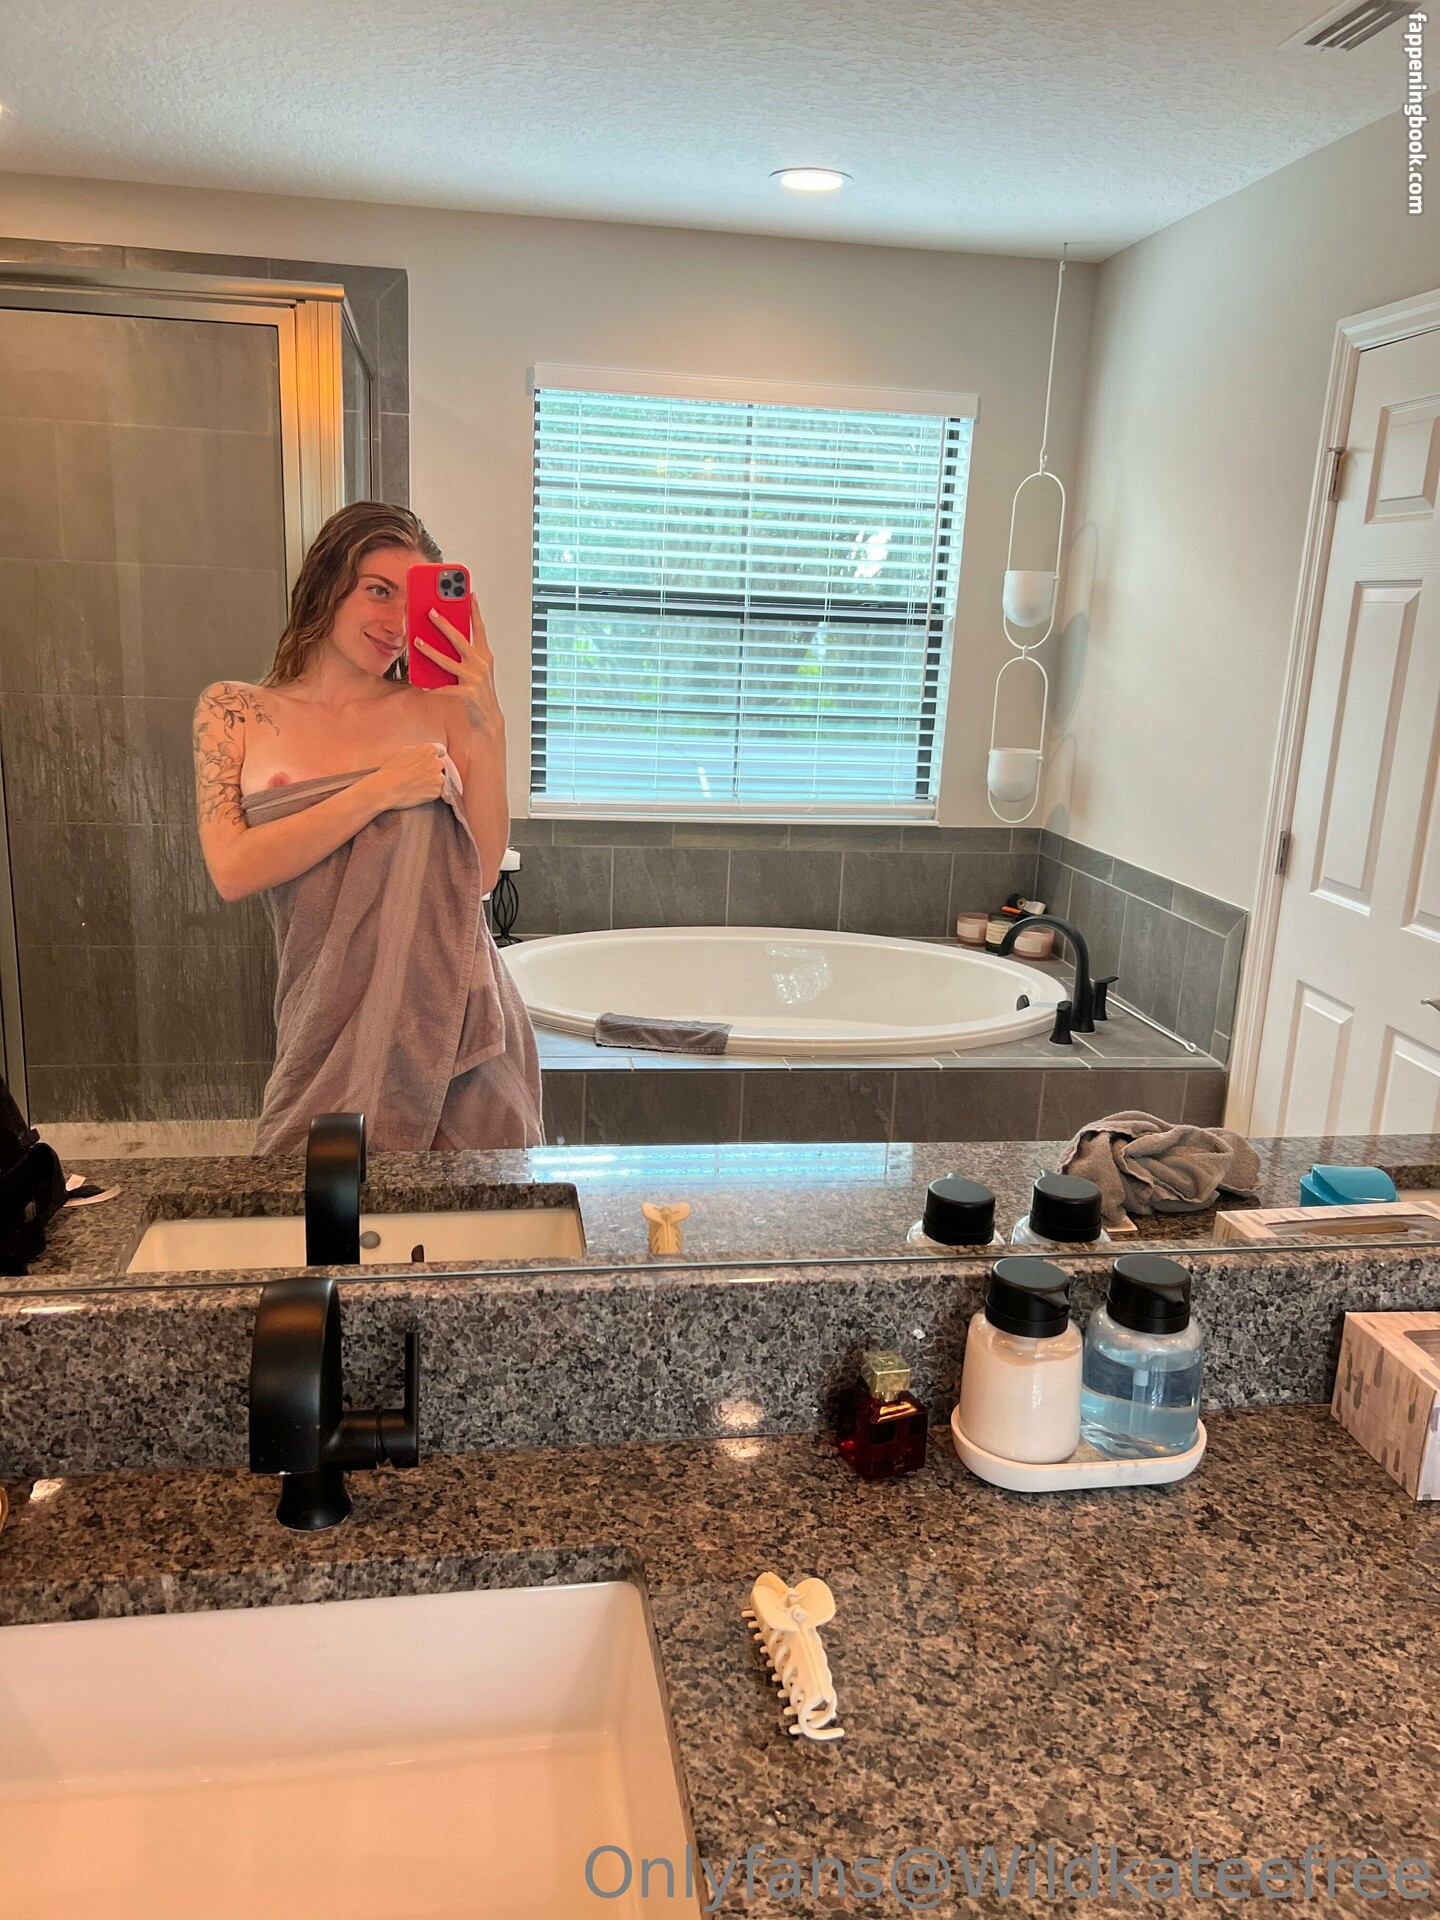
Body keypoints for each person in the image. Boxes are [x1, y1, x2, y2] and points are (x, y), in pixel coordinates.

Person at [193, 501, 543, 1153]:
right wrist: (380, 790)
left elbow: (481, 874)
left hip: (454, 1031)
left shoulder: (441, 709)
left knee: (469, 1219)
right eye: (378, 591)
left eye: (412, 601)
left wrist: (488, 722)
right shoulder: (235, 710)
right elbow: (233, 870)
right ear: (326, 583)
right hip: (318, 1015)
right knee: (316, 1203)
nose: (397, 624)